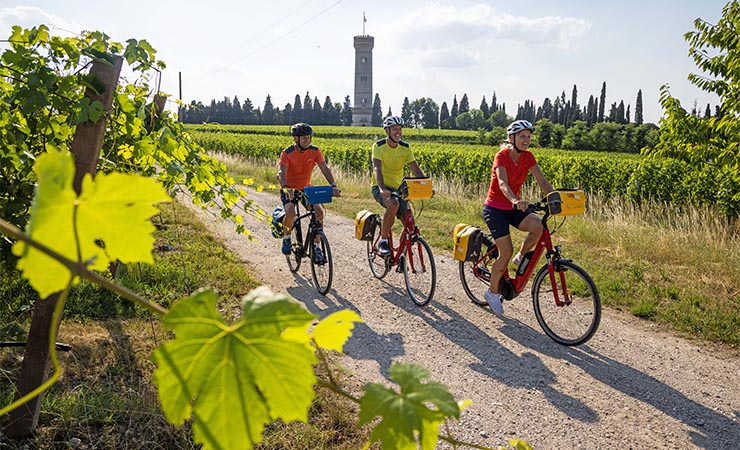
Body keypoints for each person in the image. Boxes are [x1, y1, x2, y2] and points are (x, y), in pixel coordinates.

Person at [483, 119, 554, 314]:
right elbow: (503, 183)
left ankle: (521, 255)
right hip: (495, 209)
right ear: (511, 138)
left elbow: (542, 181)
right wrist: (515, 200)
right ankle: (492, 292)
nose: (526, 140)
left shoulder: (528, 157)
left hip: (514, 207)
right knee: (504, 252)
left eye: (528, 136)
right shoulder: (502, 156)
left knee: (539, 225)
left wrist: (557, 198)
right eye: (522, 136)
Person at [277, 123, 340, 260]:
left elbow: (324, 168)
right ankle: (287, 237)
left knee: (318, 212)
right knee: (290, 212)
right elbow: (281, 172)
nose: (307, 140)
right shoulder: (287, 153)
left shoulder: (315, 151)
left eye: (309, 137)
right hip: (289, 189)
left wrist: (333, 185)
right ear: (296, 139)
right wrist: (285, 187)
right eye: (304, 138)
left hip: (306, 189)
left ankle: (317, 247)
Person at [371, 115, 426, 257]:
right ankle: (383, 241)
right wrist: (382, 189)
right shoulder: (378, 146)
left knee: (410, 224)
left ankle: (401, 256)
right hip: (380, 186)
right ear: (387, 131)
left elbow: (416, 169)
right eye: (395, 129)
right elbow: (377, 168)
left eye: (400, 129)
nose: (398, 132)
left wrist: (427, 186)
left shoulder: (405, 148)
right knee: (393, 204)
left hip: (398, 188)